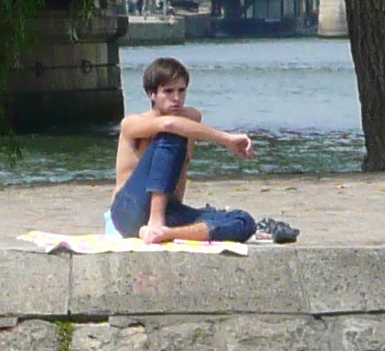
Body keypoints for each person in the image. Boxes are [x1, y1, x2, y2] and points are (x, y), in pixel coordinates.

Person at [109, 57, 291, 244]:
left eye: (181, 90)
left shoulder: (190, 117)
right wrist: (227, 139)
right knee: (173, 133)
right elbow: (170, 124)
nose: (177, 98)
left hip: (170, 211)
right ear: (152, 94)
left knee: (243, 221)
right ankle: (156, 223)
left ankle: (164, 233)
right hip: (128, 211)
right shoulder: (133, 123)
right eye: (168, 92)